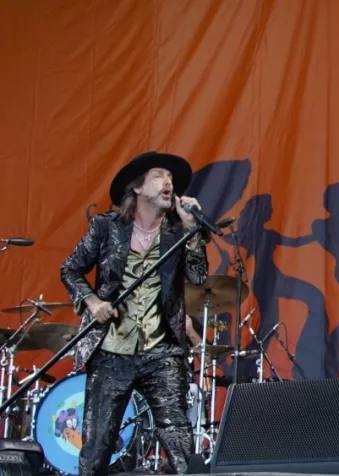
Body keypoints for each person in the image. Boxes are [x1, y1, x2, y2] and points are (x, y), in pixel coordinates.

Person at [60, 151, 209, 475]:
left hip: (162, 349)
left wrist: (192, 230)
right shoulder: (106, 227)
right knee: (97, 445)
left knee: (178, 436)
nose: (168, 182)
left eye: (171, 178)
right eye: (159, 175)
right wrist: (92, 302)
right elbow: (70, 269)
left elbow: (199, 278)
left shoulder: (177, 231)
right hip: (112, 350)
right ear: (138, 188)